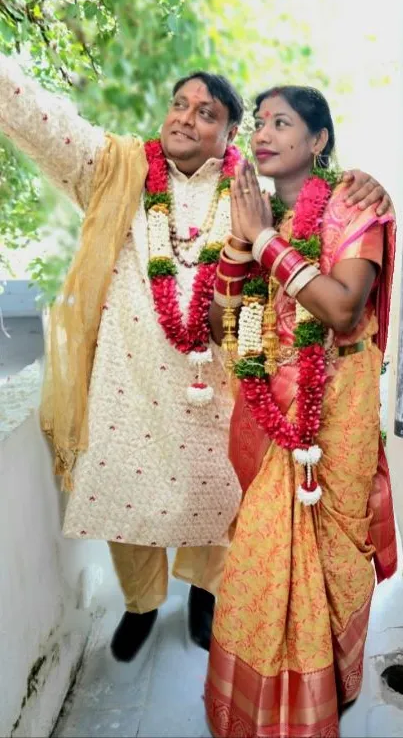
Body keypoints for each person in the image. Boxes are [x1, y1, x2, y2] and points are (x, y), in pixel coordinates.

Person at [0, 58, 392, 666]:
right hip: (127, 381)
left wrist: (367, 184)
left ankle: (207, 598)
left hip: (218, 384)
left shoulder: (252, 194)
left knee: (221, 498)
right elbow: (48, 124)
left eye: (206, 111)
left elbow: (316, 219)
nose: (185, 117)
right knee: (123, 499)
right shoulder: (118, 171)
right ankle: (140, 604)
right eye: (179, 104)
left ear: (230, 133)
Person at [205, 86, 397, 737]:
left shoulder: (352, 205)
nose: (262, 132)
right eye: (259, 122)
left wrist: (264, 241)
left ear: (316, 140)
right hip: (271, 416)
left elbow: (343, 308)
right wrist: (242, 242)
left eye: (281, 122)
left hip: (336, 409)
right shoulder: (246, 210)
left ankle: (334, 685)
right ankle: (261, 705)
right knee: (261, 552)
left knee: (337, 550)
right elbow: (216, 321)